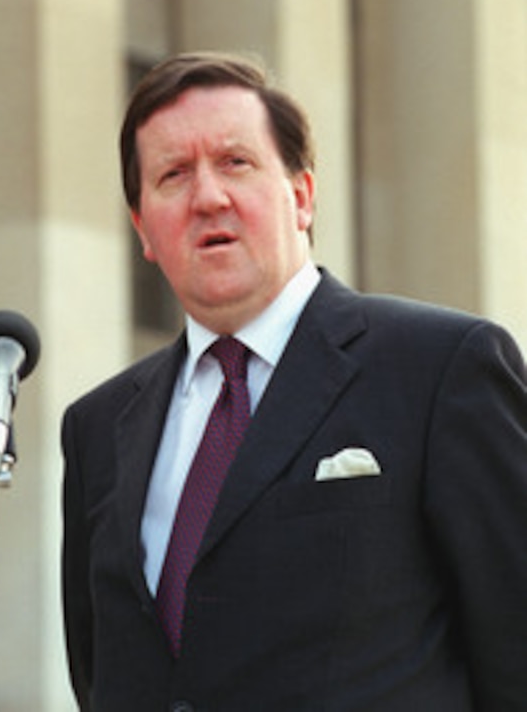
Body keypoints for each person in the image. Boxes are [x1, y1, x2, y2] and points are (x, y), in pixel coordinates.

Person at [61, 51, 527, 712]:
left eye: (235, 163)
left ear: (301, 196)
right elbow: (101, 673)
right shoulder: (96, 428)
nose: (208, 196)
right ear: (142, 228)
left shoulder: (440, 367)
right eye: (172, 175)